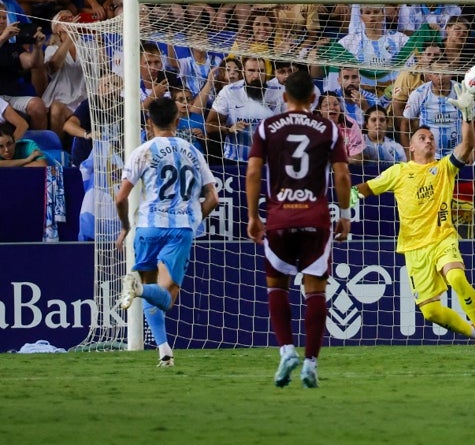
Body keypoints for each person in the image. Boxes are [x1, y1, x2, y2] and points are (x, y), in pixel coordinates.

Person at [359, 82, 475, 346]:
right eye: (422, 138)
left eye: (431, 138)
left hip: (442, 238)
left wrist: (467, 116)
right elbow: (365, 189)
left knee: (457, 277)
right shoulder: (398, 172)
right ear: (411, 147)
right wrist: (344, 195)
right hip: (414, 247)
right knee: (431, 311)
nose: (428, 140)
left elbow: (468, 144)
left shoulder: (444, 167)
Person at [246, 70, 352, 388]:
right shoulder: (328, 128)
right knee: (316, 290)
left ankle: (286, 350)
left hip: (279, 217)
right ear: (313, 98)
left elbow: (252, 173)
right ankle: (311, 363)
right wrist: (344, 214)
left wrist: (253, 215)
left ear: (283, 96)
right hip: (315, 219)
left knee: (277, 286)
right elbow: (343, 176)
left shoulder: (267, 127)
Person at [115, 96, 220, 368]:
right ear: (178, 120)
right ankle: (159, 339)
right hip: (180, 230)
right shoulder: (193, 151)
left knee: (151, 288)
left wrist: (126, 226)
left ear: (149, 123)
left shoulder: (143, 151)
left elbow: (120, 197)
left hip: (148, 227)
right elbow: (213, 199)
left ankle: (164, 351)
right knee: (166, 298)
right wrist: (194, 219)